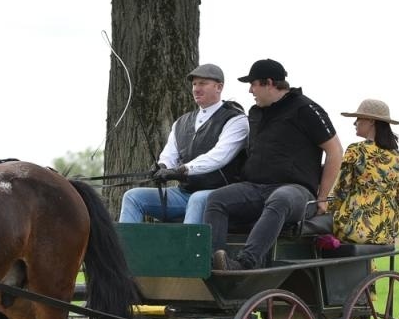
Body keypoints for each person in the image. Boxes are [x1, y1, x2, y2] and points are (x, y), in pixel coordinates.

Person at [205, 59, 342, 271]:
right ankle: (214, 261)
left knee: (281, 198)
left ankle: (245, 263)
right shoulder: (256, 112)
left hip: (296, 192)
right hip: (256, 188)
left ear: (269, 83)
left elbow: (334, 151)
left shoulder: (306, 109)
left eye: (253, 84)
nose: (250, 90)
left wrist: (322, 198)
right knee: (217, 198)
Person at [118, 63, 248, 226]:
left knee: (197, 199)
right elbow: (170, 154)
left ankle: (186, 251)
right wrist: (162, 166)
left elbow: (219, 157)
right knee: (133, 196)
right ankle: (125, 250)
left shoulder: (236, 120)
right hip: (183, 194)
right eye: (194, 84)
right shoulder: (181, 122)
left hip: (219, 195)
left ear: (219, 87)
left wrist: (181, 170)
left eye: (203, 83)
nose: (196, 89)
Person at [325, 99, 399, 246]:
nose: (354, 123)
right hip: (387, 231)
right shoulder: (398, 156)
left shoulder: (357, 150)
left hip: (355, 228)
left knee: (319, 231)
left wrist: (325, 210)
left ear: (371, 121)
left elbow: (341, 190)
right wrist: (396, 226)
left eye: (358, 119)